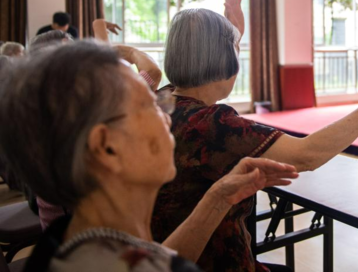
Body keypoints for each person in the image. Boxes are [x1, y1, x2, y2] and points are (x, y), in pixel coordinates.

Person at [151, 0, 358, 271]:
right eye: (233, 49)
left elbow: (204, 61)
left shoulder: (160, 102)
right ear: (224, 59)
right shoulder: (214, 125)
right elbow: (307, 154)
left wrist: (233, 33)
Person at [0, 41, 299, 271]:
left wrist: (217, 199)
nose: (168, 118)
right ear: (107, 147)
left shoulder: (69, 243)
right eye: (150, 106)